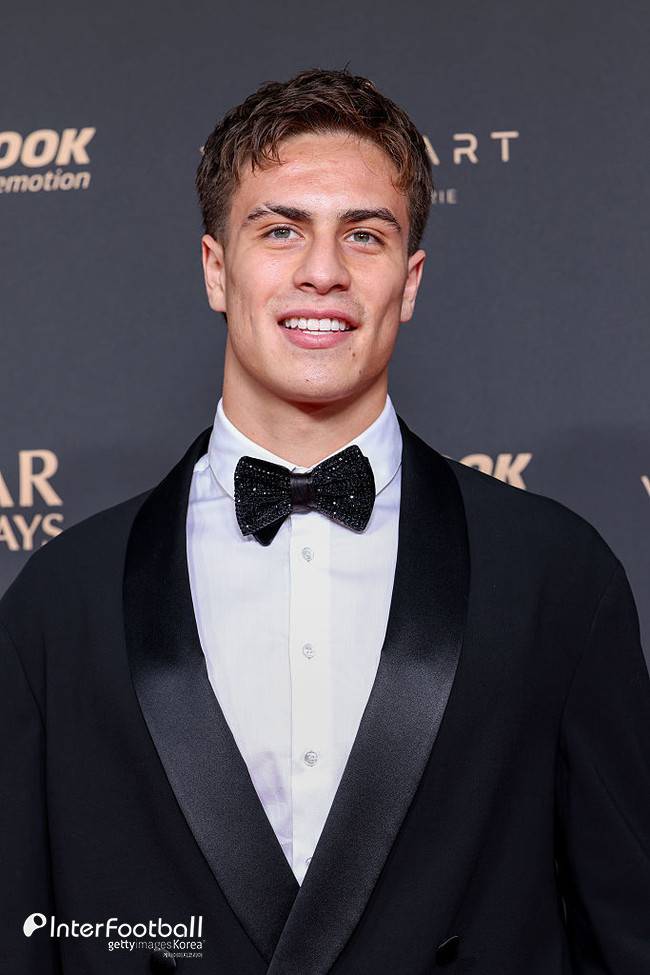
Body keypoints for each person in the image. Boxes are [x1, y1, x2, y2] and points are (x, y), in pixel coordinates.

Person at [1, 67, 648, 975]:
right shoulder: (59, 602)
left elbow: (630, 929)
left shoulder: (556, 575)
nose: (323, 271)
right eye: (280, 229)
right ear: (216, 268)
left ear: (409, 281)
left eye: (365, 234)